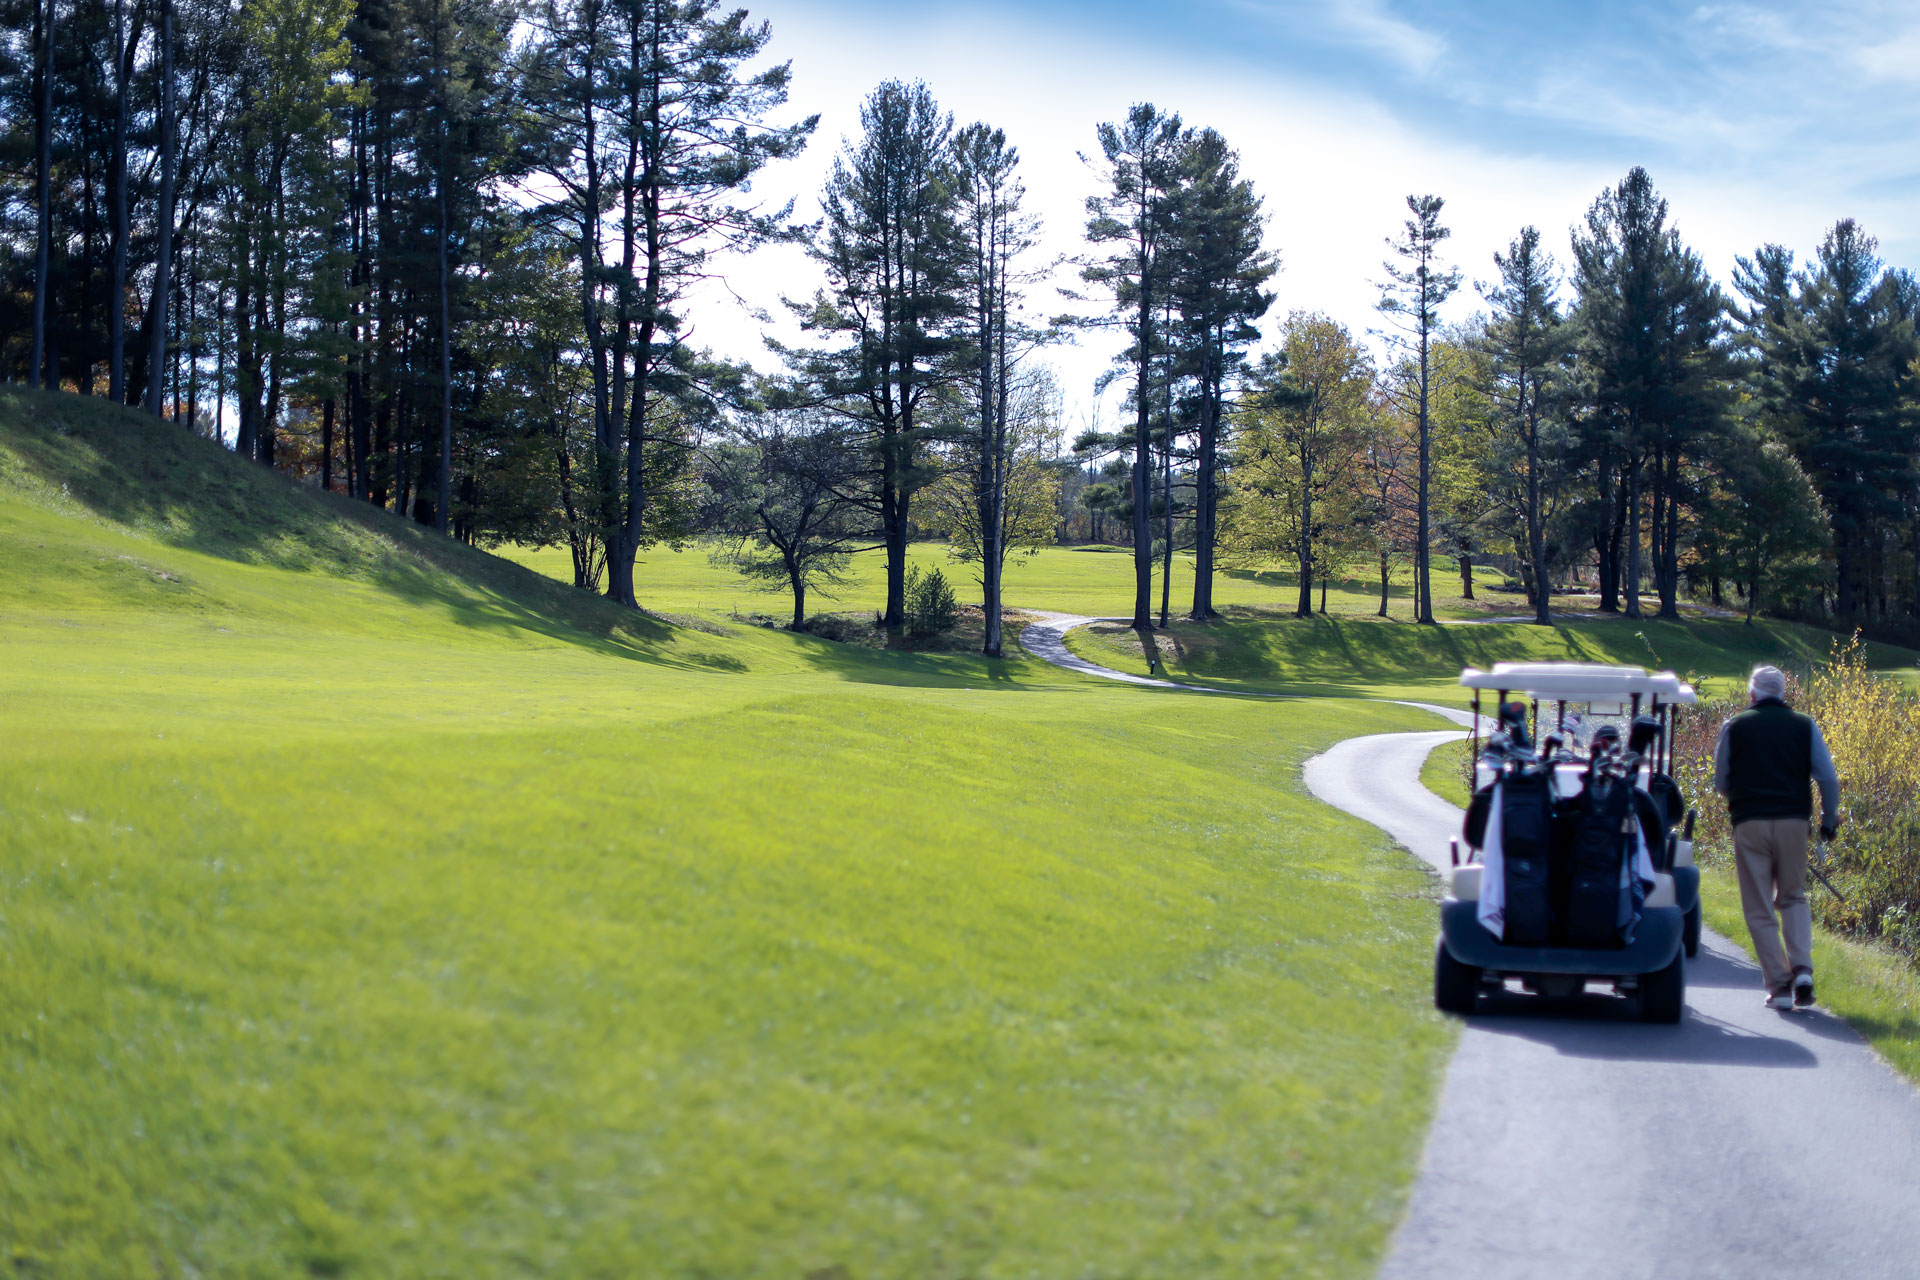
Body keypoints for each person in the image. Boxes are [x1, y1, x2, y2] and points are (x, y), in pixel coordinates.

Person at [1713, 665, 1841, 1011]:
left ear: (1751, 694)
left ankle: (1780, 984)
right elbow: (1828, 779)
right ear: (1784, 694)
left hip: (1750, 822)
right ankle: (1802, 969)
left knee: (1759, 907)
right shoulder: (1804, 726)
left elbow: (1721, 782)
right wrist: (1829, 821)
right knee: (1793, 896)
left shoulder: (1734, 726)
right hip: (1794, 823)